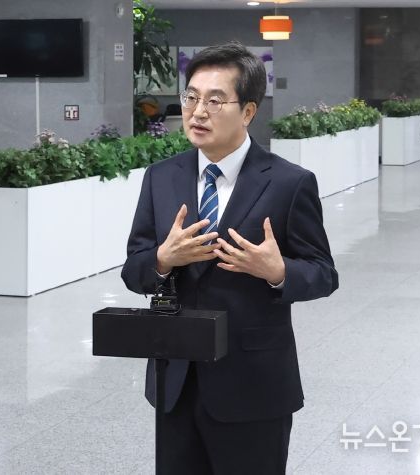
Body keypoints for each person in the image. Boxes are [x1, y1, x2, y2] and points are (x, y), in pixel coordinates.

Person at [121, 42, 338, 475]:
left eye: (215, 100)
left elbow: (323, 274)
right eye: (191, 97)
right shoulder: (161, 177)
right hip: (176, 381)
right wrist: (163, 259)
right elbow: (134, 270)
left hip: (253, 383)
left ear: (248, 111)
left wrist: (277, 271)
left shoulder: (289, 182)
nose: (197, 112)